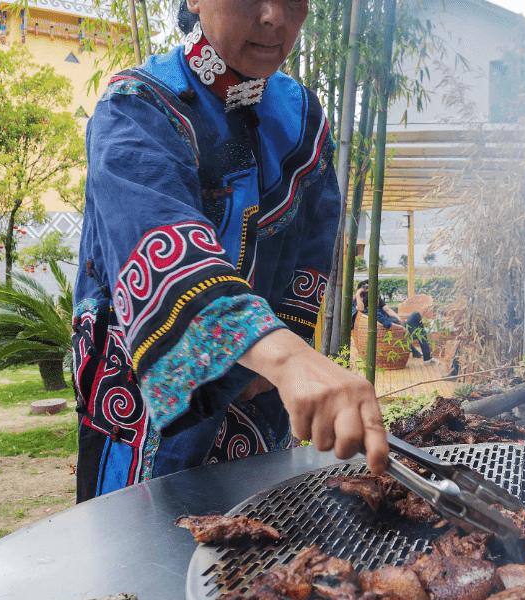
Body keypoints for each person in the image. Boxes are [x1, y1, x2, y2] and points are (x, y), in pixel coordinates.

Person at [71, 0, 388, 501]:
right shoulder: (135, 108)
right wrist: (285, 359)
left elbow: (310, 256)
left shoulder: (303, 121)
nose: (274, 17)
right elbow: (160, 250)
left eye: (292, 0)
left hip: (260, 407)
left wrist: (274, 366)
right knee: (142, 565)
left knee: (260, 554)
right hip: (149, 416)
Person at [354, 281, 437, 364]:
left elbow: (387, 310)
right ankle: (426, 358)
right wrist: (358, 293)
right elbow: (361, 309)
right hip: (395, 332)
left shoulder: (371, 306)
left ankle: (424, 356)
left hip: (395, 329)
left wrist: (398, 317)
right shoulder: (370, 309)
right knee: (416, 316)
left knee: (420, 330)